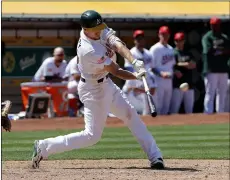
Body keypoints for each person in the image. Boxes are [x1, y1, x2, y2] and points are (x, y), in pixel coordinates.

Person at [31, 10, 164, 170]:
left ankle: (155, 156)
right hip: (93, 90)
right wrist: (136, 76)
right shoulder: (88, 50)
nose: (100, 31)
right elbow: (116, 71)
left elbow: (117, 43)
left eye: (101, 27)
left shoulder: (97, 29)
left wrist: (134, 60)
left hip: (106, 83)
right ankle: (43, 147)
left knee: (131, 116)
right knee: (91, 136)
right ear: (86, 30)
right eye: (97, 29)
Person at [124, 30, 157, 114]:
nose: (139, 41)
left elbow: (151, 69)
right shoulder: (131, 53)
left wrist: (151, 82)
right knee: (127, 110)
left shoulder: (148, 53)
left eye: (141, 38)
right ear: (134, 40)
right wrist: (135, 80)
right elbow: (128, 68)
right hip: (133, 81)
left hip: (145, 82)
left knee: (146, 109)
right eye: (137, 39)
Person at [202, 17, 230, 114]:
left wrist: (218, 50)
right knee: (210, 93)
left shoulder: (224, 37)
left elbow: (228, 50)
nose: (215, 27)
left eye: (216, 25)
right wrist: (222, 51)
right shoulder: (207, 37)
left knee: (222, 93)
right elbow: (208, 51)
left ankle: (220, 114)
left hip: (223, 69)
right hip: (211, 69)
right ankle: (208, 113)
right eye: (213, 25)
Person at [149, 26, 176, 115]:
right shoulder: (154, 49)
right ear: (159, 35)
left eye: (166, 34)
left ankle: (165, 126)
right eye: (163, 34)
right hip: (158, 80)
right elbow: (151, 67)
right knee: (158, 106)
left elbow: (171, 65)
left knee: (166, 106)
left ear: (169, 35)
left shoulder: (171, 49)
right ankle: (156, 125)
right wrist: (161, 73)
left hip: (169, 80)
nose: (164, 36)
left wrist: (175, 72)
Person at [170, 32, 196, 114]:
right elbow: (172, 65)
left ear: (184, 41)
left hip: (189, 84)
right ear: (174, 41)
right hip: (177, 84)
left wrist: (185, 65)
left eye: (180, 40)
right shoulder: (172, 52)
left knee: (189, 109)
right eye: (177, 40)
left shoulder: (188, 53)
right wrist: (185, 64)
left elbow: (193, 64)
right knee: (174, 109)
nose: (179, 42)